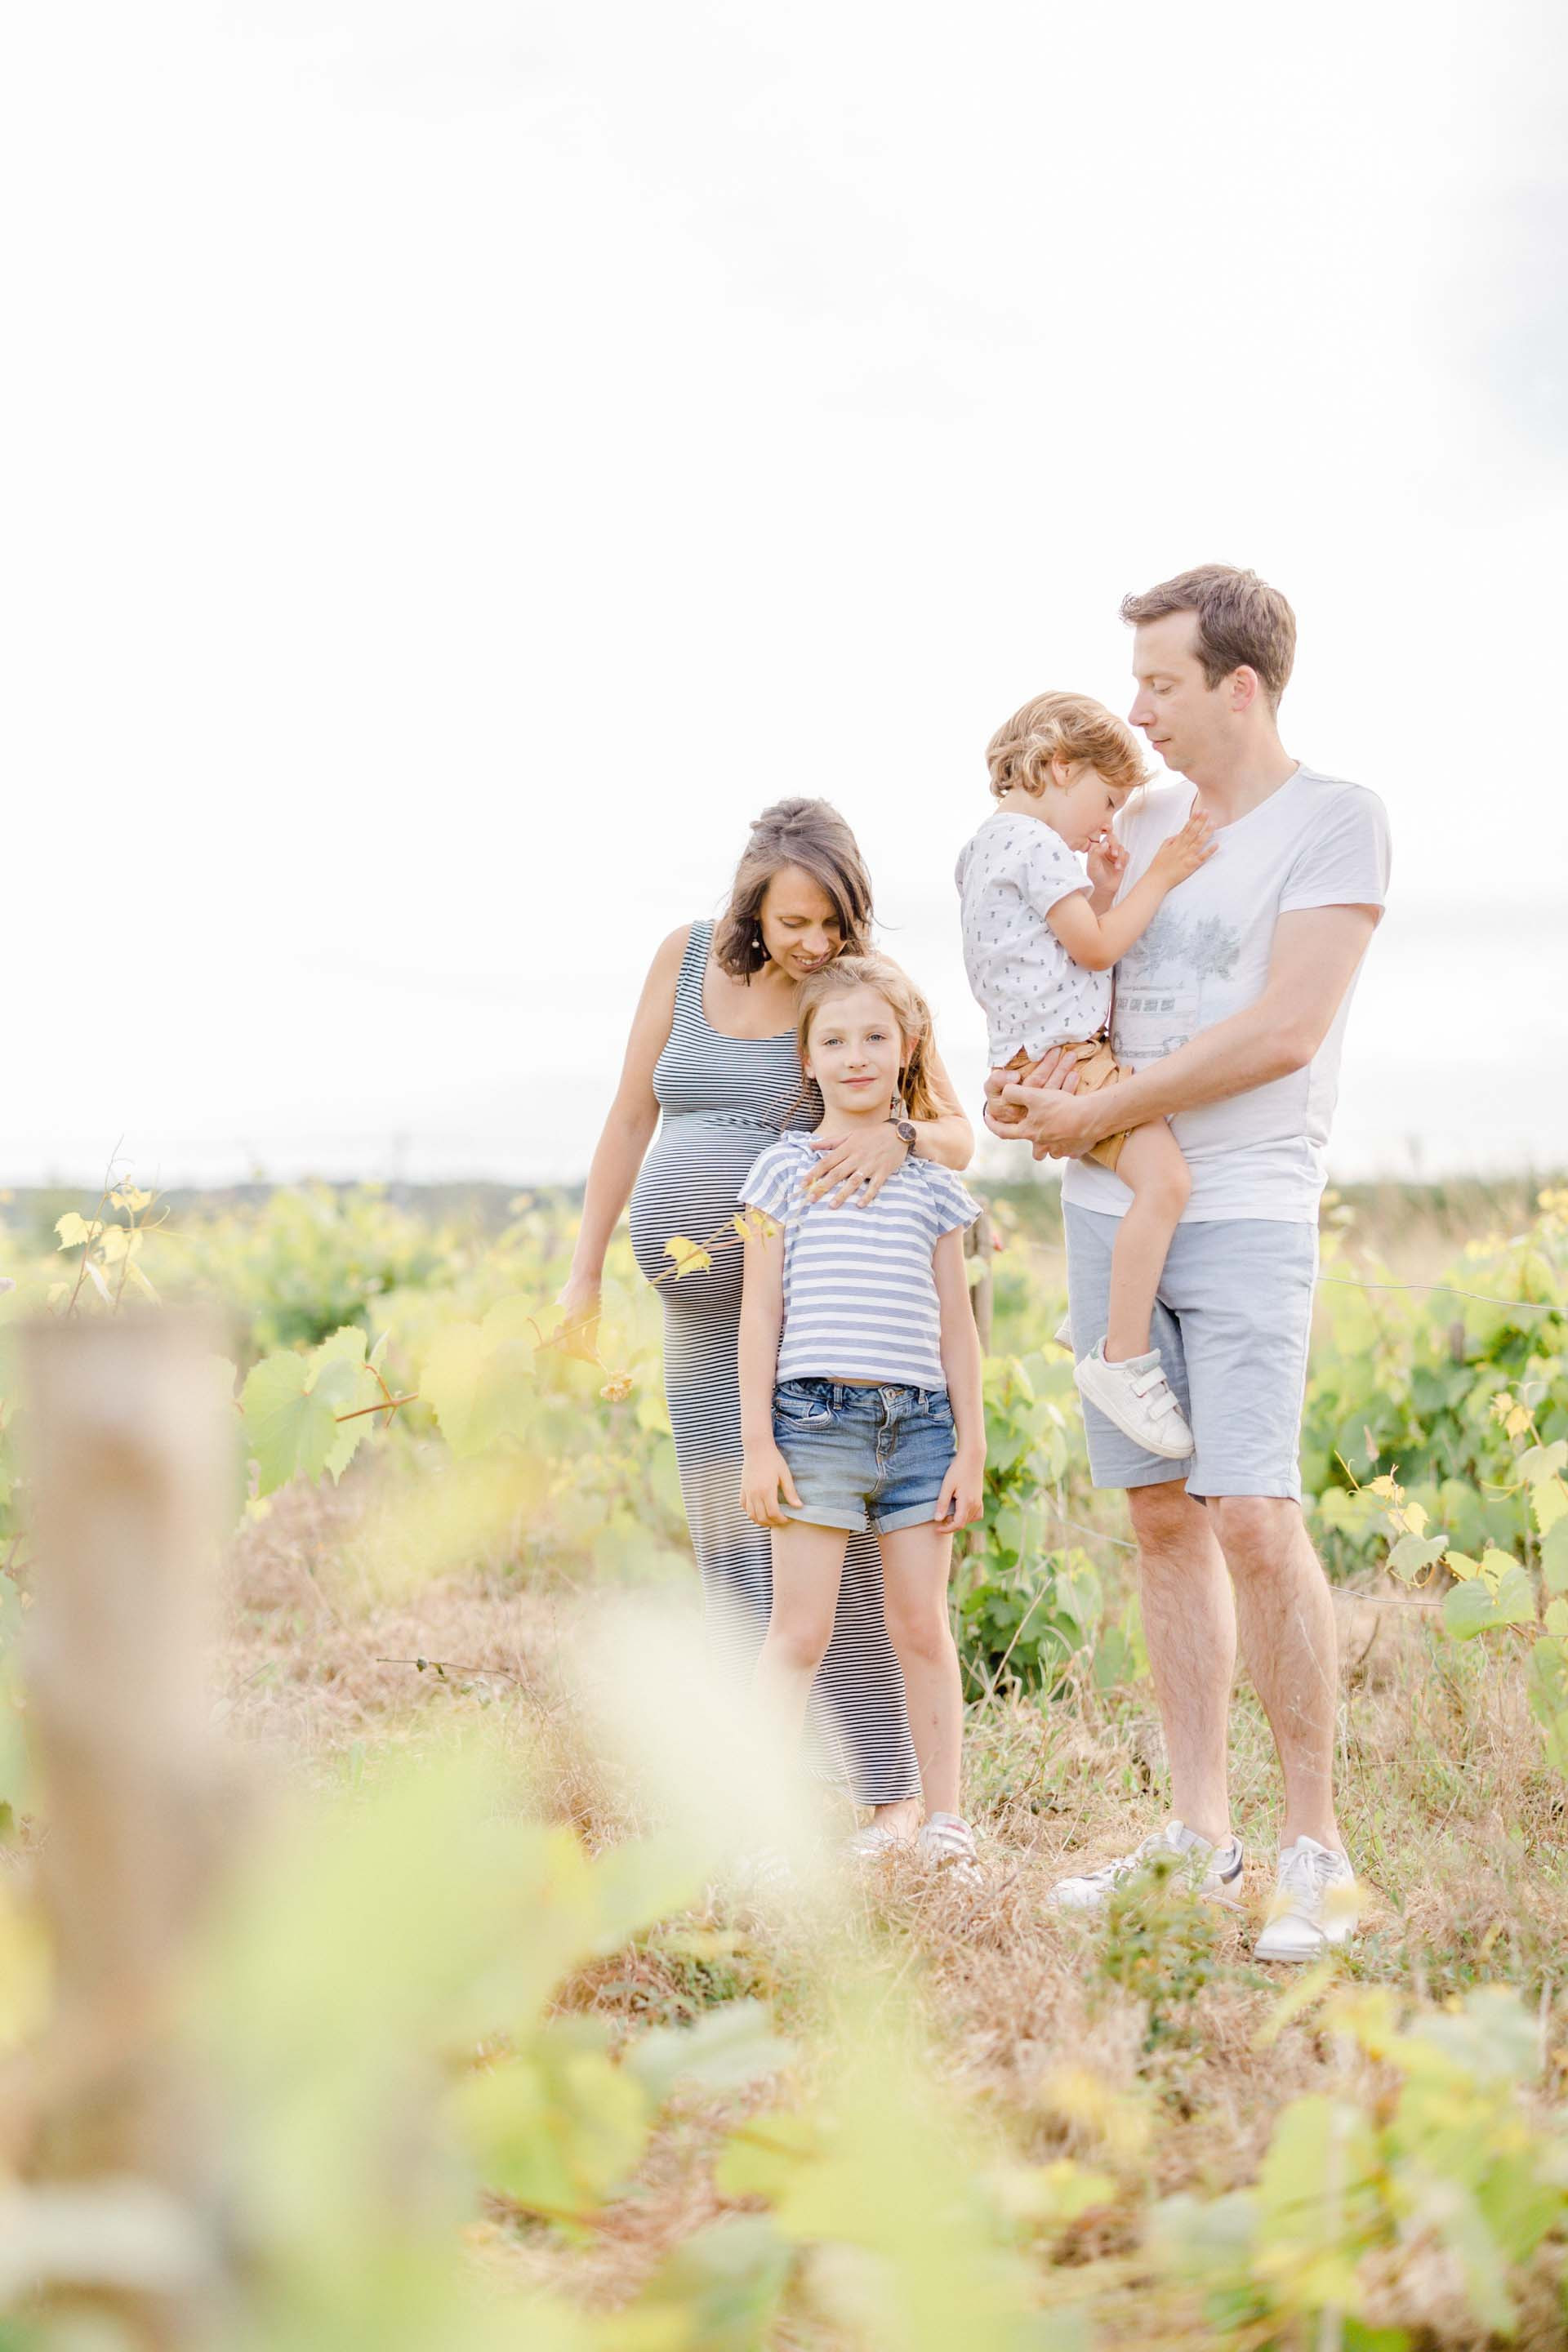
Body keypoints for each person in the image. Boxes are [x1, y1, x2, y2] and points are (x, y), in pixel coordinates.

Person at [990, 566, 1390, 1963]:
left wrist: (1099, 1113)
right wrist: (1032, 1086)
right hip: (1107, 1218)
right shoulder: (1136, 816)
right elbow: (1062, 972)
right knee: (1159, 1519)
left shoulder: (1337, 824)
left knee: (1252, 1518)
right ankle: (1202, 1837)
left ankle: (1317, 1850)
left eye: (1159, 680)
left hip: (1247, 1211)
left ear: (1240, 684)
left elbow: (1286, 1030)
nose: (1135, 707)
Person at [556, 799, 974, 1836]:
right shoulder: (684, 958)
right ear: (751, 901)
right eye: (793, 923)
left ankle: (891, 1789)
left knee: (843, 1545)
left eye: (832, 922)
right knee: (738, 1541)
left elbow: (958, 1131)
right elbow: (628, 1115)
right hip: (704, 1324)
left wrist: (906, 1144)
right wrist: (586, 1272)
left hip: (812, 1319)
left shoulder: (849, 995)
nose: (814, 943)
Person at [737, 956, 985, 1872]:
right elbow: (760, 1315)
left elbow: (958, 1329)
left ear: (908, 1048)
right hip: (815, 1424)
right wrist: (759, 1442)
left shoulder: (931, 1184)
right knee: (799, 1633)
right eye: (833, 1040)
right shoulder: (778, 1174)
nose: (855, 1056)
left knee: (921, 1626)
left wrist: (971, 1449)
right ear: (805, 1060)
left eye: (875, 1037)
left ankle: (946, 1823)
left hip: (921, 1431)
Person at [956, 690, 1214, 1459]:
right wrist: (1158, 876)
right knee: (1166, 1184)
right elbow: (1098, 950)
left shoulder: (981, 849)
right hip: (1073, 1059)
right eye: (1104, 801)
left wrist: (1100, 887)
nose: (1105, 824)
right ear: (1056, 766)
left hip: (1032, 1056)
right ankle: (1121, 1357)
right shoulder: (1036, 848)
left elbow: (1049, 949)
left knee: (1142, 1183)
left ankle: (1103, 1309)